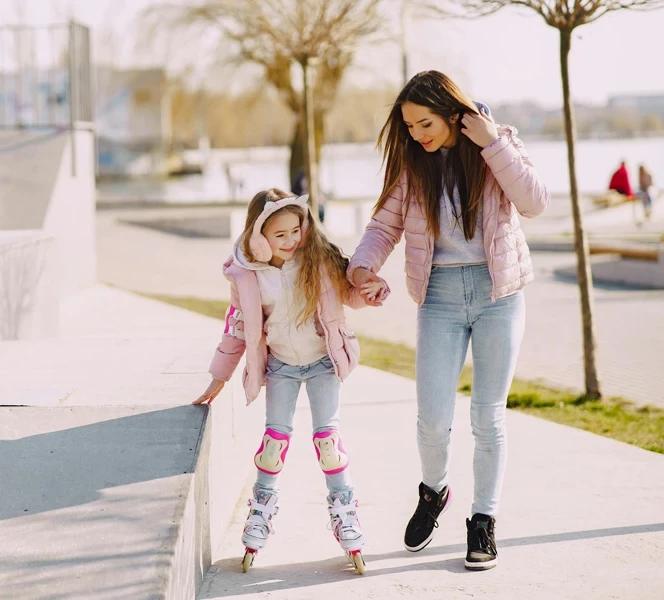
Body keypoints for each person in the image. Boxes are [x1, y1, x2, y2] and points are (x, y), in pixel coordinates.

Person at [348, 71, 550, 571]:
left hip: (497, 294)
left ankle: (483, 522)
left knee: (488, 416)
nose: (417, 134)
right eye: (409, 126)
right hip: (438, 296)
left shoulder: (497, 144)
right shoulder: (414, 166)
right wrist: (361, 266)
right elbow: (384, 225)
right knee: (433, 420)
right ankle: (434, 491)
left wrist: (491, 142)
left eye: (424, 122)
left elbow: (534, 202)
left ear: (451, 112)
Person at [193, 188, 387, 573]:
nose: (290, 242)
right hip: (281, 364)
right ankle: (260, 512)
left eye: (296, 231)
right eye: (279, 235)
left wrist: (373, 292)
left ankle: (345, 512)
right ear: (258, 235)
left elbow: (351, 293)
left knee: (327, 441)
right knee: (273, 442)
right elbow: (238, 324)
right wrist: (219, 376)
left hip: (321, 362)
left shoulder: (317, 258)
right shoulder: (247, 273)